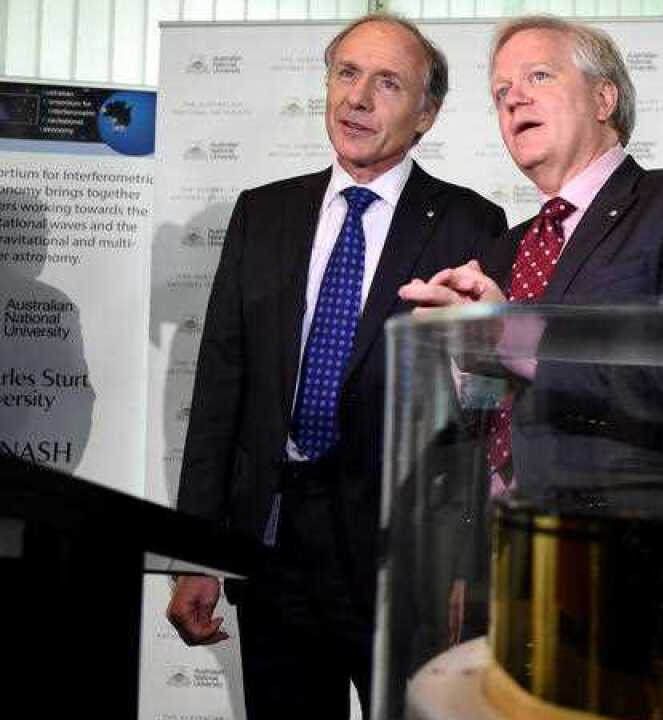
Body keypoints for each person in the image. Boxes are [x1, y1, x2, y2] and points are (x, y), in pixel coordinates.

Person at [165, 14, 506, 719]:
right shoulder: (264, 213)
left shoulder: (473, 223)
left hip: (402, 563)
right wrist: (196, 551)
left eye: (387, 82)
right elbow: (221, 387)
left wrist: (465, 568)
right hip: (273, 546)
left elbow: (481, 415)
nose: (357, 97)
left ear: (426, 114)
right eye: (346, 73)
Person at [396, 14, 663, 633]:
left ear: (603, 96)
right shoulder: (506, 251)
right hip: (500, 567)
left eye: (538, 75)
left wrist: (505, 334)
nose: (514, 99)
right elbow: (488, 422)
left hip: (630, 568)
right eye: (500, 92)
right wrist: (464, 356)